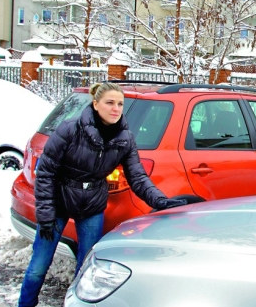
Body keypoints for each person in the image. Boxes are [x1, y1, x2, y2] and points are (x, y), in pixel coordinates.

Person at [18, 82, 188, 307]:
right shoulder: (69, 130)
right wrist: (46, 215)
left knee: (87, 268)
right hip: (59, 202)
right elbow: (46, 173)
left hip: (91, 205)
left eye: (120, 104)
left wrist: (160, 200)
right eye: (110, 103)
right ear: (96, 104)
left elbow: (137, 177)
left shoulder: (125, 138)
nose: (116, 108)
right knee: (38, 266)